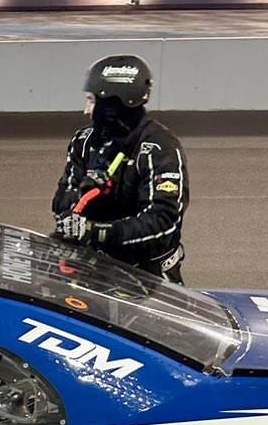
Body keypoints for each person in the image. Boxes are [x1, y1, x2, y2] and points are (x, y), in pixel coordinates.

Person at [52, 54, 190, 282]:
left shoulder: (159, 148)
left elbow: (163, 220)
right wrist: (80, 200)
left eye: (92, 101)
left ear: (113, 104)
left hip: (149, 278)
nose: (86, 110)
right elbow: (62, 203)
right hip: (93, 270)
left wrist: (97, 232)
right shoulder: (83, 141)